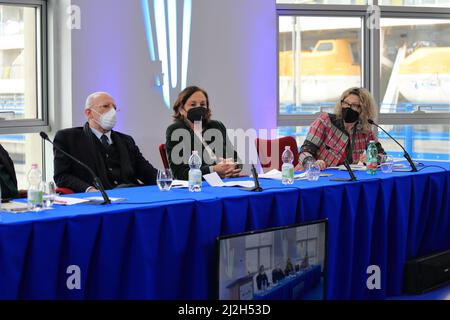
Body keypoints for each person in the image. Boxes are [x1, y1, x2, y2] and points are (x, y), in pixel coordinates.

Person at [53, 92, 158, 193]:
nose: (112, 111)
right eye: (106, 106)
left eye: (114, 108)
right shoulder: (68, 138)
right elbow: (62, 176)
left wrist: (169, 181)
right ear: (88, 113)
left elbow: (146, 171)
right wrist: (88, 189)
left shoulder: (126, 140)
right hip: (97, 200)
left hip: (130, 195)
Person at [298, 87, 385, 170]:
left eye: (354, 105)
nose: (348, 107)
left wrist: (372, 159)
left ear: (363, 109)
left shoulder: (365, 130)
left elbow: (382, 156)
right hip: (311, 175)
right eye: (346, 103)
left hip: (343, 178)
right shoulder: (325, 121)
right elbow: (303, 153)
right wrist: (313, 163)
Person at [165, 86, 242, 180]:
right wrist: (213, 170)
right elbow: (180, 174)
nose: (198, 108)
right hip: (200, 187)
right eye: (193, 105)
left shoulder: (217, 126)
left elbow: (235, 158)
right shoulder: (175, 130)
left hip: (227, 182)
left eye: (202, 104)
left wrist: (233, 166)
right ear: (181, 110)